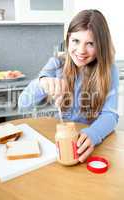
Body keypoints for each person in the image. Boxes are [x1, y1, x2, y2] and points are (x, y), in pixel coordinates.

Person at [18, 9, 119, 163]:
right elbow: (22, 103)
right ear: (68, 40)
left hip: (86, 145)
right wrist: (42, 83)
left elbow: (110, 115)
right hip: (55, 143)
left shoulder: (109, 70)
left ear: (101, 46)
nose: (81, 50)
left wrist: (93, 133)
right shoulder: (56, 65)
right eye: (76, 41)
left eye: (90, 43)